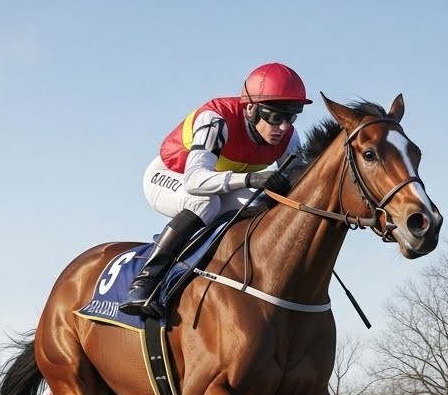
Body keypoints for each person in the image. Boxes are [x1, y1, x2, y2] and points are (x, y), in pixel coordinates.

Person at [119, 62, 312, 318]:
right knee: (206, 204)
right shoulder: (216, 119)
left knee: (258, 204)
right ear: (250, 107)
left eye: (291, 116)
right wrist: (252, 178)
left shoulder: (290, 137)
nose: (284, 127)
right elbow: (195, 182)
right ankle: (145, 281)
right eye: (275, 116)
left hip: (218, 183)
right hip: (170, 176)